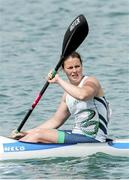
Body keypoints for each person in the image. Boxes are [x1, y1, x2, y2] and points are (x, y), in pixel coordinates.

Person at [11, 51, 110, 143]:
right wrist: (26, 133)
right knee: (35, 133)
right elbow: (56, 121)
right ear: (63, 70)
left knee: (38, 135)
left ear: (82, 66)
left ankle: (12, 152)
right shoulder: (67, 94)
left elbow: (82, 95)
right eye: (70, 68)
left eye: (77, 66)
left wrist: (58, 80)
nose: (74, 71)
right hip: (77, 135)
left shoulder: (91, 82)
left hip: (94, 139)